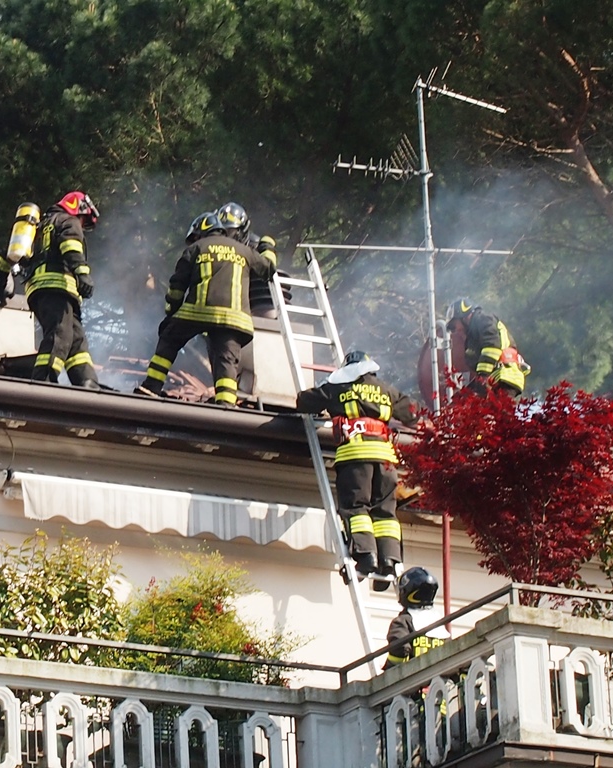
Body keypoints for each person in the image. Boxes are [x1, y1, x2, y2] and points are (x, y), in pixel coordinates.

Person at [296, 351, 424, 589]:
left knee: (357, 507)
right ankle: (389, 559)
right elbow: (413, 415)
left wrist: (327, 387)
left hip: (355, 457)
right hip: (386, 460)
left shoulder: (339, 387)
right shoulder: (388, 390)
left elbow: (304, 401)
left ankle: (366, 556)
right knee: (385, 513)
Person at [135, 211, 276, 406]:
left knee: (169, 340)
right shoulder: (244, 251)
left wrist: (170, 315)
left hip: (197, 312)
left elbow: (177, 286)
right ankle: (226, 403)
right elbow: (268, 268)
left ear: (202, 232)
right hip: (234, 320)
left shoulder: (196, 248)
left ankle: (151, 386)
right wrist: (267, 244)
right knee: (226, 360)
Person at [23, 191, 102, 388]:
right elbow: (71, 247)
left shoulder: (41, 225)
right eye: (84, 220)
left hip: (39, 289)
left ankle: (86, 380)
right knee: (60, 335)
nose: (82, 225)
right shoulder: (68, 220)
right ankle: (43, 380)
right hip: (56, 286)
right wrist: (82, 273)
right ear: (80, 209)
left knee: (76, 339)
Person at [445, 298, 530, 398]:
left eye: (454, 326)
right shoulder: (472, 338)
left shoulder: (482, 319)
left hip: (504, 377)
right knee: (464, 403)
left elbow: (492, 346)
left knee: (493, 411)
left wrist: (483, 376)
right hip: (495, 379)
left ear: (464, 317)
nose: (455, 331)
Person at [383, 566, 449, 670]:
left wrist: (387, 673)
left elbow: (399, 651)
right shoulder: (439, 624)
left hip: (413, 680)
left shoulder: (402, 622)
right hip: (439, 681)